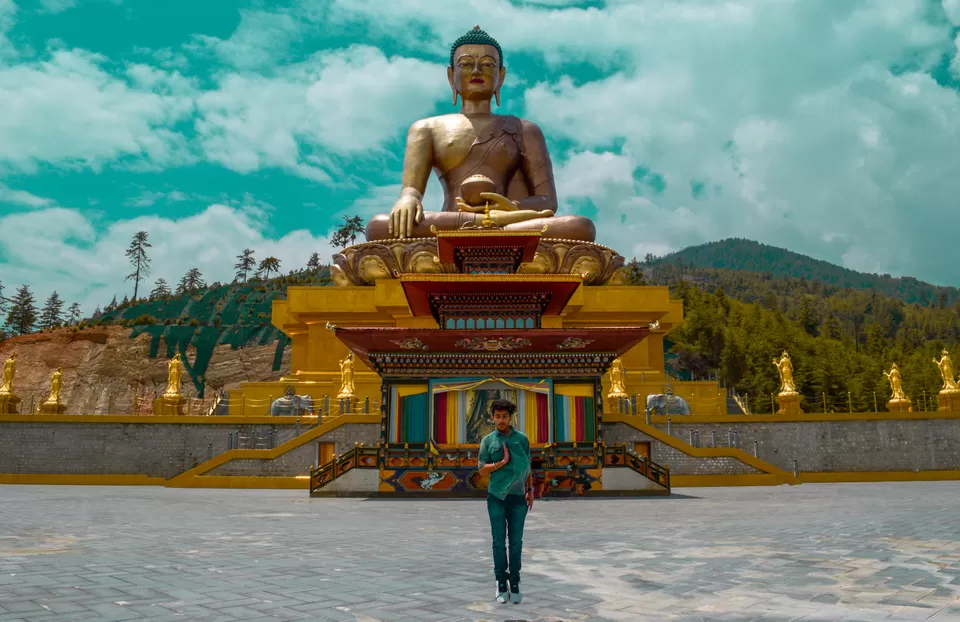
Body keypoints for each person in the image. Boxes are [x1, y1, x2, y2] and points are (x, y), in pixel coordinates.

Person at [477, 399, 533, 604]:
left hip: (518, 497)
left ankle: (515, 581)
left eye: (505, 416)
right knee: (498, 541)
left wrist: (530, 490)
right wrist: (501, 462)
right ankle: (501, 581)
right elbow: (481, 470)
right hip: (497, 497)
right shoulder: (488, 441)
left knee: (516, 542)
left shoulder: (522, 439)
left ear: (511, 417)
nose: (501, 420)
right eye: (498, 416)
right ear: (493, 418)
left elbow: (528, 466)